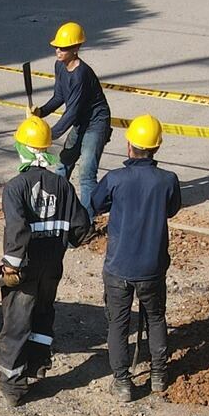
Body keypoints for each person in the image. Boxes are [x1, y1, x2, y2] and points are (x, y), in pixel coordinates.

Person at [0, 116, 90, 407]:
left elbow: (17, 229)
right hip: (52, 267)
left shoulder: (15, 187)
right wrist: (63, 243)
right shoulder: (62, 185)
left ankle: (13, 386)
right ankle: (37, 365)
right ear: (46, 149)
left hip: (25, 269)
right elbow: (81, 228)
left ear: (23, 148)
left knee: (17, 322)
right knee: (44, 313)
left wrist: (11, 264)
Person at [89, 114, 183, 401]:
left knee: (118, 324)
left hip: (119, 267)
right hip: (152, 268)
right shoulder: (168, 180)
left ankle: (122, 383)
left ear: (129, 145)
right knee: (155, 318)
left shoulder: (116, 179)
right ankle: (158, 375)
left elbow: (95, 204)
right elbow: (172, 210)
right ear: (156, 147)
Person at [34, 22, 113, 216]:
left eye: (64, 47)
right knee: (63, 164)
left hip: (96, 123)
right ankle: (54, 210)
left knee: (86, 173)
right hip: (79, 122)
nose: (58, 51)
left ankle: (88, 219)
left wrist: (49, 135)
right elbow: (59, 96)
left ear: (76, 48)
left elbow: (73, 111)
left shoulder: (81, 74)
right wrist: (41, 112)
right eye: (57, 47)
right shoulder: (59, 66)